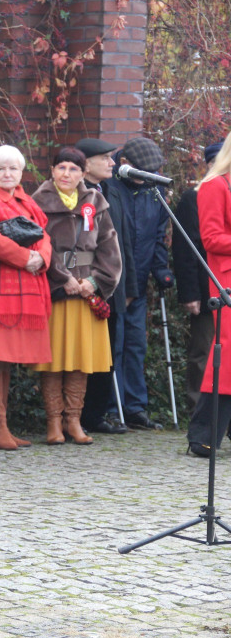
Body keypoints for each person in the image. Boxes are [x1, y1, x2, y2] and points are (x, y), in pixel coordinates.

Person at [31, 147, 122, 445]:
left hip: (86, 292)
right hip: (55, 290)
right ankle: (53, 423)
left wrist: (95, 282)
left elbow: (109, 247)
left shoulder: (96, 202)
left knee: (81, 360)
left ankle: (74, 421)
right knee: (53, 360)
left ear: (83, 174)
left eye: (73, 169)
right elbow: (36, 244)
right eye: (61, 168)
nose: (66, 174)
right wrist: (63, 278)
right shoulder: (37, 202)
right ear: (52, 171)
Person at [0, 145, 53, 450]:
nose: (8, 174)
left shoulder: (27, 201)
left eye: (13, 169)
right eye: (1, 169)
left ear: (22, 172)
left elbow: (45, 235)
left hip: (26, 289)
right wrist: (25, 259)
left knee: (7, 362)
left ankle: (1, 425)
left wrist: (41, 260)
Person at [107, 138, 174, 430]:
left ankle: (135, 407)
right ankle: (111, 407)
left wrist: (161, 270)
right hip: (114, 282)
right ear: (126, 164)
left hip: (141, 280)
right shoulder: (108, 188)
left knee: (136, 346)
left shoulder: (153, 191)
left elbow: (158, 235)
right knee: (115, 345)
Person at [76, 138, 135, 435]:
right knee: (79, 351)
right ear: (86, 163)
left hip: (114, 285)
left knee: (107, 351)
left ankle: (96, 413)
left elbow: (125, 243)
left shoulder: (114, 192)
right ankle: (74, 414)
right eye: (105, 158)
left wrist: (130, 287)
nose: (113, 163)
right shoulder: (76, 193)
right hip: (83, 284)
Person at [186, 132, 231, 457]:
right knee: (226, 359)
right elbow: (212, 239)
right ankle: (202, 435)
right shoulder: (215, 186)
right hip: (227, 283)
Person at [172, 142, 222, 420]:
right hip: (207, 289)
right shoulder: (194, 197)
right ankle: (200, 411)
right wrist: (190, 293)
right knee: (204, 351)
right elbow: (185, 248)